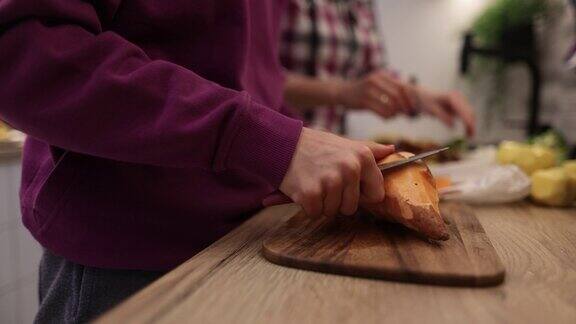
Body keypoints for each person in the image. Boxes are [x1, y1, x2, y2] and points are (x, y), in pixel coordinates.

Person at [0, 1, 394, 322]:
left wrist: (292, 156)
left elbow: (251, 73)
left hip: (251, 242)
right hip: (129, 266)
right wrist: (267, 140)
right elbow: (19, 50)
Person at [280, 0, 476, 136]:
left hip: (331, 155)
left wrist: (424, 98)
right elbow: (258, 79)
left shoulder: (360, 4)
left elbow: (373, 73)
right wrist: (342, 91)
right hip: (278, 159)